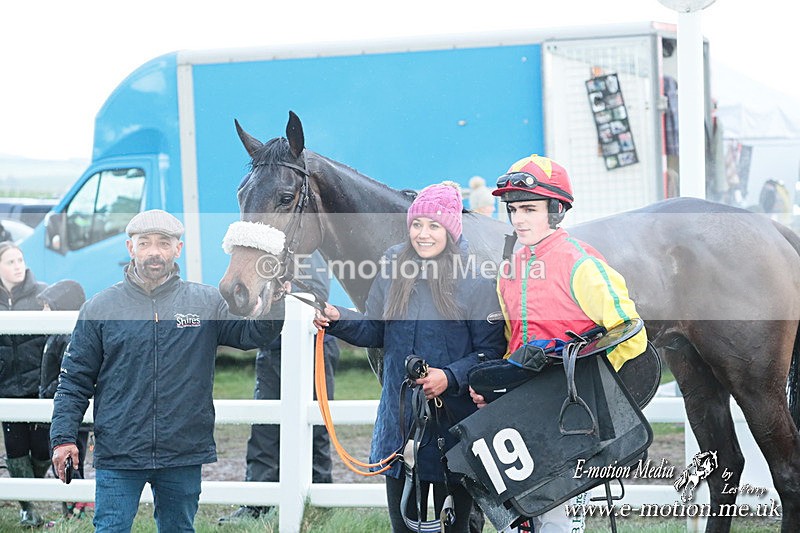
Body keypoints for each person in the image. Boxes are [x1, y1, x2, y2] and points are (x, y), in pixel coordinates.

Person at [49, 210, 284, 532]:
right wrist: (62, 438)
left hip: (183, 450)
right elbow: (74, 380)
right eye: (145, 243)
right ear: (131, 249)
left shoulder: (207, 303)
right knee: (111, 528)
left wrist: (276, 300)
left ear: (178, 249)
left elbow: (252, 335)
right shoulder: (100, 308)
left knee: (178, 529)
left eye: (163, 243)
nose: (154, 251)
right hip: (119, 451)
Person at [314, 183, 506, 533]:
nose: (423, 234)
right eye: (417, 224)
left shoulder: (476, 281)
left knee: (456, 529)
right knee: (403, 527)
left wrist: (449, 376)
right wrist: (339, 319)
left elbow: (491, 351)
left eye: (434, 226)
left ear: (450, 230)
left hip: (454, 430)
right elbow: (375, 330)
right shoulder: (392, 268)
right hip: (400, 426)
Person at [470, 155, 647, 533]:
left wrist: (591, 390)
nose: (518, 219)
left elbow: (630, 334)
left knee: (559, 523)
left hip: (571, 415)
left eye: (529, 209)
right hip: (522, 411)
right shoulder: (508, 269)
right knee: (518, 518)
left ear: (556, 210)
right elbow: (512, 343)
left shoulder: (582, 264)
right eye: (513, 209)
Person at [218, 251, 340, 524]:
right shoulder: (265, 250)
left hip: (312, 344)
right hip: (273, 344)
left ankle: (318, 500)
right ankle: (258, 504)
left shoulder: (307, 248)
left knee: (314, 426)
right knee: (264, 426)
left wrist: (277, 294)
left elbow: (314, 294)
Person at [0, 241, 49, 528]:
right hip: (6, 388)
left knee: (42, 450)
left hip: (38, 387)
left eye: (20, 260)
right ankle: (27, 508)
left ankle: (32, 490)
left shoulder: (42, 293)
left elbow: (73, 291)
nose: (18, 266)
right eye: (10, 262)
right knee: (16, 451)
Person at [37, 279, 92, 520]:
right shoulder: (54, 335)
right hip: (62, 411)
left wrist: (49, 393)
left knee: (71, 461)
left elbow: (68, 377)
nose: (43, 312)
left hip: (71, 416)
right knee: (66, 460)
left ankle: (77, 510)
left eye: (48, 306)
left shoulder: (67, 338)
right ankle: (72, 510)